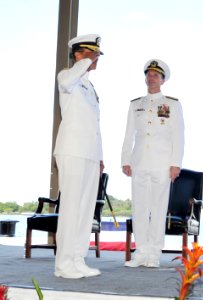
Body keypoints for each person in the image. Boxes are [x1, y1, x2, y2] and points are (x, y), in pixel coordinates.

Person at [121, 59, 184, 268]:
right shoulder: (135, 105)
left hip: (162, 163)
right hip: (139, 161)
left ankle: (154, 253)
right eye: (148, 74)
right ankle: (140, 252)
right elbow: (129, 134)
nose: (151, 78)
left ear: (163, 80)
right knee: (139, 208)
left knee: (157, 209)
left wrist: (176, 163)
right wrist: (125, 159)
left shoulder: (172, 104)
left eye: (155, 75)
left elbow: (178, 135)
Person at [53, 34, 105, 279]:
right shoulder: (67, 77)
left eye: (96, 55)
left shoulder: (90, 87)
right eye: (92, 54)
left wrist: (100, 156)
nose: (96, 60)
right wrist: (84, 61)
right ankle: (63, 264)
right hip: (72, 150)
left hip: (89, 154)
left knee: (84, 211)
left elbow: (95, 125)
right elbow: (68, 79)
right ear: (78, 54)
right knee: (72, 208)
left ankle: (77, 259)